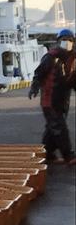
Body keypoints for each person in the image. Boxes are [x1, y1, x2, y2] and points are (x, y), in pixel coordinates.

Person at [29, 29, 76, 165]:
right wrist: (34, 87)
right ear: (58, 41)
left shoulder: (73, 59)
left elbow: (73, 80)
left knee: (52, 128)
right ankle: (69, 156)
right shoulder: (50, 57)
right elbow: (39, 74)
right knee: (59, 128)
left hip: (63, 101)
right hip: (49, 100)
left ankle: (47, 154)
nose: (67, 42)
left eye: (70, 40)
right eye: (64, 39)